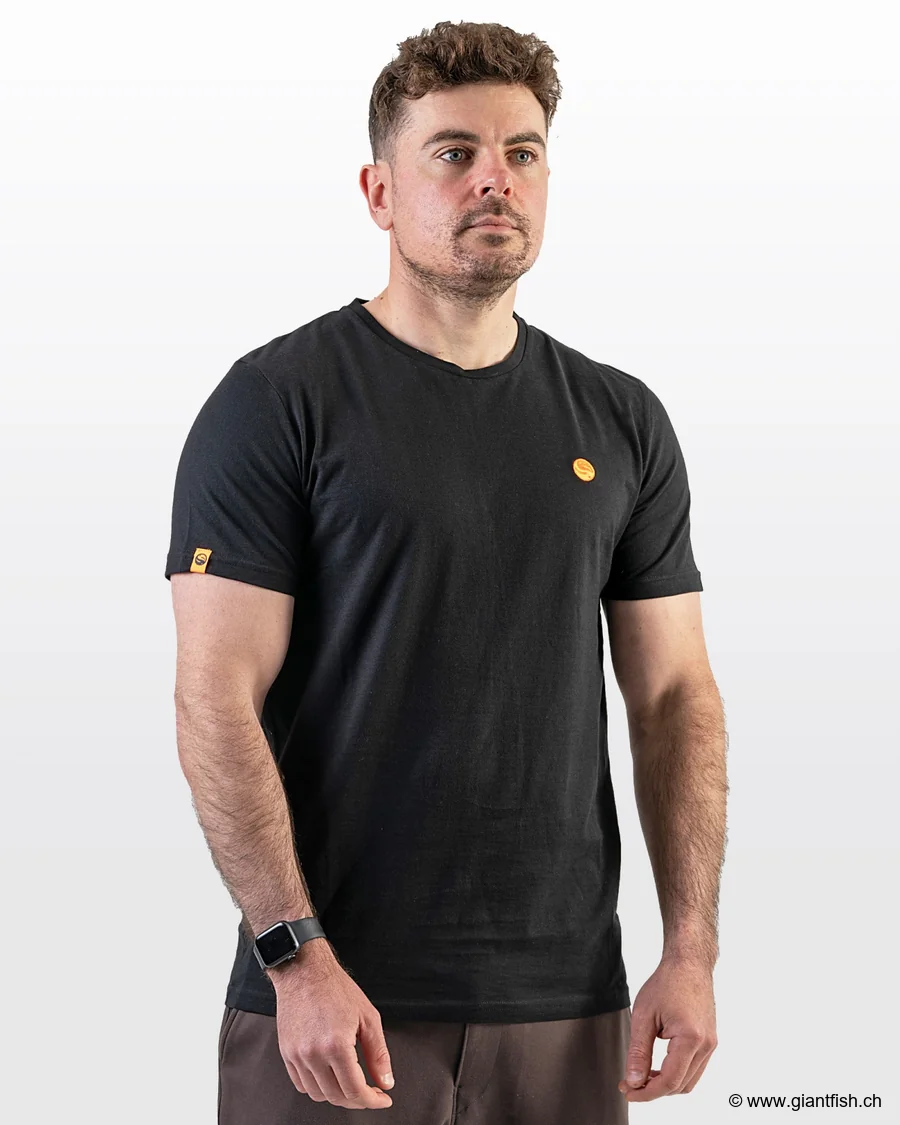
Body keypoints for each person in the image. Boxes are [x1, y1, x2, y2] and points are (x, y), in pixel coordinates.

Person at [165, 19, 726, 1124]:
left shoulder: (621, 419)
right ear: (380, 192)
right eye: (454, 153)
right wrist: (294, 959)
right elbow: (213, 696)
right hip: (337, 1009)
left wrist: (691, 947)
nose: (494, 180)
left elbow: (674, 695)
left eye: (522, 153)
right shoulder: (276, 404)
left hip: (568, 1003)